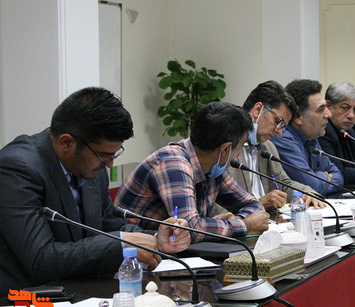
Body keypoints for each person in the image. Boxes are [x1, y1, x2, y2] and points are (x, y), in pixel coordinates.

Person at [0, 87, 190, 294]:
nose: (109, 164)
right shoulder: (17, 168)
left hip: (79, 290)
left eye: (114, 154)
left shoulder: (91, 167)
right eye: (103, 155)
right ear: (66, 142)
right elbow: (40, 258)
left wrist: (156, 238)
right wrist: (120, 245)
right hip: (24, 300)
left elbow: (108, 225)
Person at [115, 102, 268, 243]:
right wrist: (245, 224)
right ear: (225, 149)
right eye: (241, 146)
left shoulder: (213, 167)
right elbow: (190, 230)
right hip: (132, 252)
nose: (239, 153)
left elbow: (254, 206)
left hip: (171, 250)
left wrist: (236, 220)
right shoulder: (173, 163)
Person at [228, 80, 324, 210]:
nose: (279, 132)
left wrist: (306, 193)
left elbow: (283, 183)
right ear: (258, 110)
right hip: (243, 220)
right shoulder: (226, 146)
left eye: (283, 126)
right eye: (278, 121)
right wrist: (258, 204)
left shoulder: (268, 147)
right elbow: (214, 204)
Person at [271, 79, 344, 197]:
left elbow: (338, 175)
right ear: (298, 117)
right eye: (320, 109)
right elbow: (312, 187)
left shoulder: (311, 137)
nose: (328, 114)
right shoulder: (282, 138)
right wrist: (325, 176)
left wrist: (318, 176)